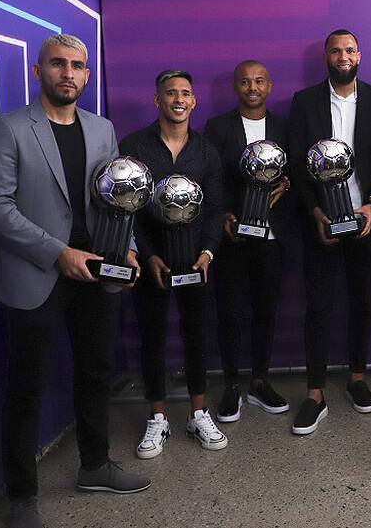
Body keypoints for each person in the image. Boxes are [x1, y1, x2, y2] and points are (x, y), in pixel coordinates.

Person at [0, 34, 149, 528]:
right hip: (36, 275)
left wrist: (130, 251)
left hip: (98, 274)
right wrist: (59, 254)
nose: (67, 73)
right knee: (25, 387)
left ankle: (94, 466)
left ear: (87, 75)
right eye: (58, 64)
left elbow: (122, 198)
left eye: (77, 65)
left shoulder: (102, 129)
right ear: (38, 71)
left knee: (96, 374)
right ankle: (22, 497)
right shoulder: (8, 129)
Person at [287, 29, 371, 434]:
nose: (343, 56)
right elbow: (298, 165)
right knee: (318, 306)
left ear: (359, 55)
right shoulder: (305, 102)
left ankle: (357, 377)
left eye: (349, 50)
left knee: (362, 300)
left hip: (365, 219)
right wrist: (315, 211)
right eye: (336, 50)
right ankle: (315, 392)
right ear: (326, 58)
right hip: (322, 222)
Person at [120, 69, 226, 457]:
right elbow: (127, 210)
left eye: (185, 93)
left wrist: (208, 252)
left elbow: (216, 208)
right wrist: (147, 255)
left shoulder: (206, 151)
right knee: (152, 337)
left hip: (196, 262)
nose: (178, 99)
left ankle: (199, 412)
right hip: (154, 261)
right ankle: (158, 418)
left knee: (197, 335)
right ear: (157, 100)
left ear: (193, 101)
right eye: (170, 93)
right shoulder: (134, 146)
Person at [204, 60, 292, 422]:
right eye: (245, 82)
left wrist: (289, 183)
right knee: (231, 313)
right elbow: (209, 177)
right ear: (236, 87)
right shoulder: (217, 127)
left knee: (265, 311)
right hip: (234, 236)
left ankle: (259, 381)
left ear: (269, 86)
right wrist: (223, 212)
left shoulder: (284, 128)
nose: (252, 87)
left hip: (272, 237)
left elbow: (298, 171)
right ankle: (231, 386)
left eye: (259, 81)